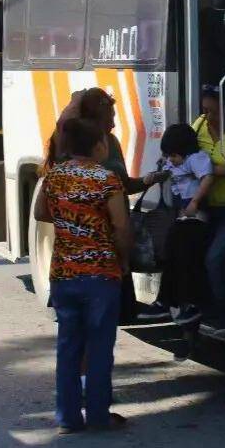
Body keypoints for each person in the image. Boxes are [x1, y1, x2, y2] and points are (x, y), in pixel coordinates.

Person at [34, 118, 131, 434]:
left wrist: (69, 220)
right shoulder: (107, 180)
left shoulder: (54, 176)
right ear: (99, 146)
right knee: (100, 348)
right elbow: (120, 226)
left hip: (63, 275)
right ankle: (99, 416)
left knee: (68, 348)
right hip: (101, 274)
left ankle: (67, 418)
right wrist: (124, 259)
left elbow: (40, 213)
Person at [47, 88, 171, 323]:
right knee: (98, 326)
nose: (114, 124)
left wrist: (148, 180)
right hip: (99, 256)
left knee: (79, 331)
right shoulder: (85, 164)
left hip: (80, 261)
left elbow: (124, 185)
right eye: (110, 117)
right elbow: (121, 226)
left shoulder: (110, 143)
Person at [156, 123, 215, 359]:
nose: (171, 160)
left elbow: (208, 177)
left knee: (184, 255)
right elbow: (167, 170)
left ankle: (180, 304)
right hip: (183, 215)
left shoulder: (196, 160)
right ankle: (166, 300)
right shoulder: (176, 161)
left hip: (196, 215)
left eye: (174, 155)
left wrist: (195, 202)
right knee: (172, 251)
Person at [193, 87, 225, 332]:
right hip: (206, 208)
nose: (208, 116)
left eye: (213, 111)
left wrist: (210, 170)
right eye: (205, 110)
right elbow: (187, 158)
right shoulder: (199, 125)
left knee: (216, 259)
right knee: (201, 260)